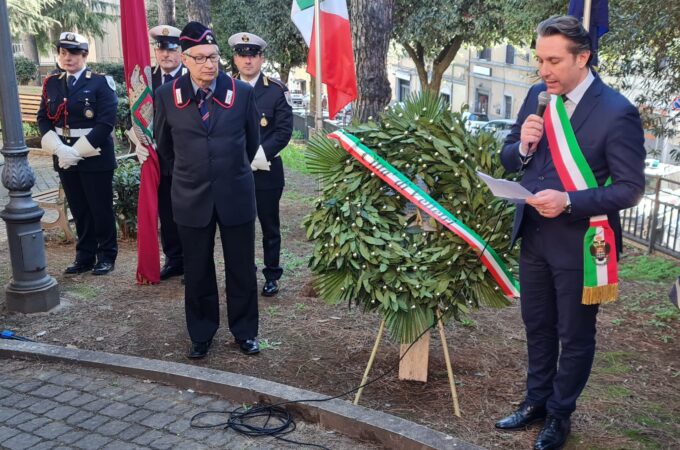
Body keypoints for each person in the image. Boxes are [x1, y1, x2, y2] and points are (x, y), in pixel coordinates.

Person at [497, 16, 646, 450]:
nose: (544, 70)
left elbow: (630, 189)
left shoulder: (617, 112)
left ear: (583, 58)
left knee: (574, 335)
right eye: (540, 59)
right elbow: (510, 159)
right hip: (535, 236)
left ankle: (560, 416)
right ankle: (536, 402)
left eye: (554, 60)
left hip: (584, 244)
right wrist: (521, 145)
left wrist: (570, 201)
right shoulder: (536, 97)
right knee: (537, 325)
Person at [154, 22, 261, 358]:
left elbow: (251, 142)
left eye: (213, 56)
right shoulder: (165, 96)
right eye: (199, 58)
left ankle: (244, 332)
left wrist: (227, 170)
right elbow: (164, 147)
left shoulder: (241, 92)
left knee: (241, 267)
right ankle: (201, 333)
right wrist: (194, 171)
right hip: (191, 196)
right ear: (185, 60)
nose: (208, 64)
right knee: (197, 269)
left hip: (236, 194)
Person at [37, 32, 119, 276]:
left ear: (84, 55)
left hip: (94, 155)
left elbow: (106, 123)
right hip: (63, 155)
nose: (67, 58)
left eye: (73, 53)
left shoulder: (101, 83)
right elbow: (43, 118)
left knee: (100, 208)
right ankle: (84, 256)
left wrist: (75, 150)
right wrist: (60, 149)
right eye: (63, 53)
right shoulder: (52, 82)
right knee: (79, 209)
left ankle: (106, 255)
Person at [228, 32, 293, 297]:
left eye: (252, 55)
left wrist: (258, 157)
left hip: (266, 171)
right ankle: (244, 273)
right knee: (238, 225)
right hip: (234, 171)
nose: (247, 60)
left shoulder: (276, 90)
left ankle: (272, 275)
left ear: (261, 58)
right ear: (234, 58)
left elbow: (284, 131)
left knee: (269, 226)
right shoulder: (227, 88)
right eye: (242, 55)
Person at [135, 24, 188, 281]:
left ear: (181, 52)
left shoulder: (192, 78)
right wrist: (137, 141)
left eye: (171, 50)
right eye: (161, 49)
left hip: (186, 158)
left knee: (188, 211)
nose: (165, 55)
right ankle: (174, 259)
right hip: (159, 159)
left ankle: (192, 260)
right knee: (166, 211)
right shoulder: (147, 81)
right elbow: (135, 116)